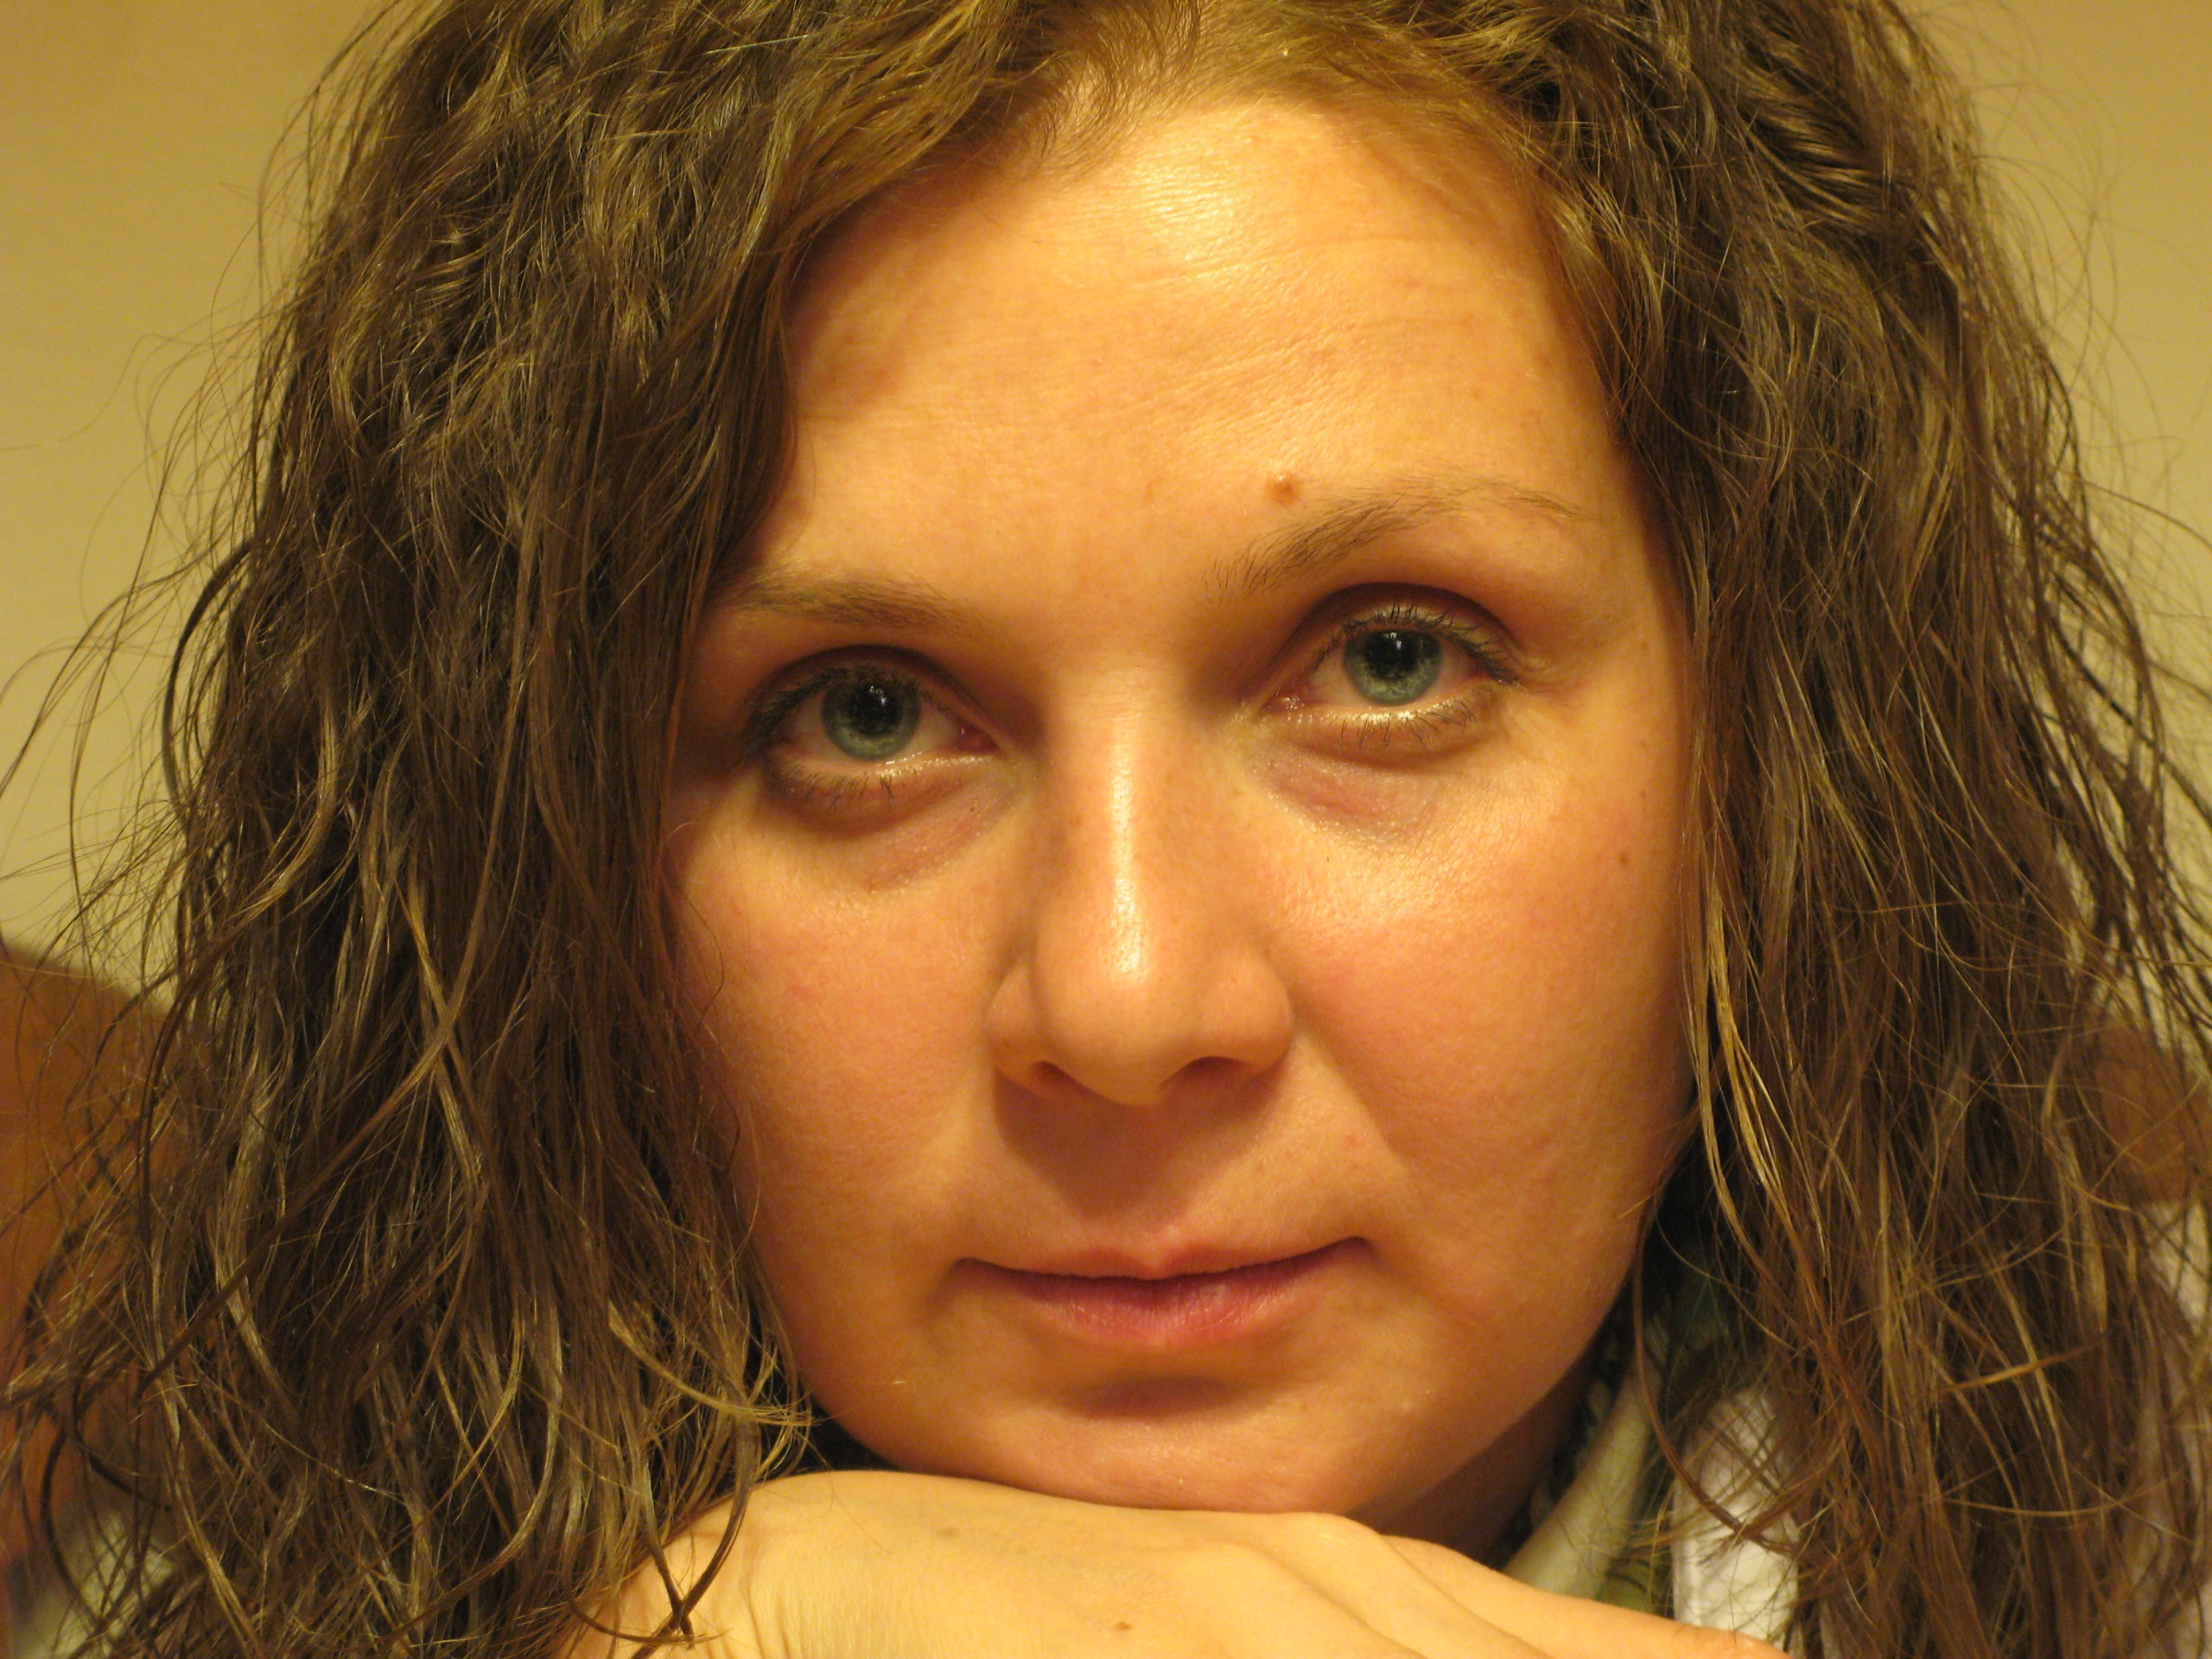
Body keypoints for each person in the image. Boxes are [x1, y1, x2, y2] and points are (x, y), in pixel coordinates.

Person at [3, 0, 2209, 1655]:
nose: (1128, 1000)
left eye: (1388, 662)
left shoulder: (2148, 1507)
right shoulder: (143, 1544)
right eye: (865, 715)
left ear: (1774, 749)